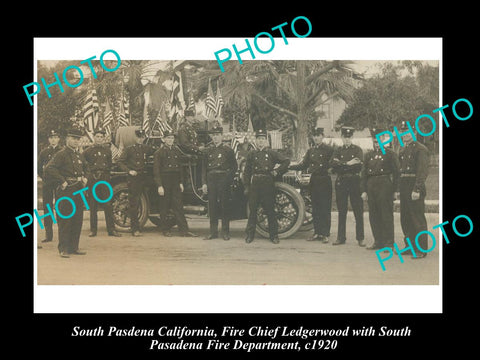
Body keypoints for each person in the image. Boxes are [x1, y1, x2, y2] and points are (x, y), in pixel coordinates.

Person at [44, 128, 89, 258]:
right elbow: (49, 168)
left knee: (77, 219)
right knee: (65, 219)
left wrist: (86, 177)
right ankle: (63, 248)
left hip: (78, 190)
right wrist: (62, 181)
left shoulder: (79, 155)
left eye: (78, 139)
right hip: (66, 191)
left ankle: (74, 247)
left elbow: (87, 168)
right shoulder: (61, 154)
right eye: (73, 138)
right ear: (67, 139)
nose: (76, 141)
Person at [244, 129, 290, 244]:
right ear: (256, 140)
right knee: (253, 210)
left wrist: (277, 172)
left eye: (263, 139)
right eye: (259, 139)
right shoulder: (251, 154)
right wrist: (246, 186)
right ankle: (250, 235)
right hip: (255, 183)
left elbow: (286, 161)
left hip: (267, 183)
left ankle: (274, 236)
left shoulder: (271, 153)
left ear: (266, 141)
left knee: (270, 210)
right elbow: (247, 172)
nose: (261, 141)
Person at [289, 127, 334, 242]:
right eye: (314, 136)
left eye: (318, 135)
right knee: (316, 208)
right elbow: (304, 165)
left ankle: (325, 234)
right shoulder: (311, 151)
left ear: (322, 136)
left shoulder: (329, 150)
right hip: (314, 181)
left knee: (325, 208)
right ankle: (317, 232)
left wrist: (330, 169)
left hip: (324, 180)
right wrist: (289, 166)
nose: (316, 138)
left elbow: (334, 163)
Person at [361, 127, 400, 251]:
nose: (377, 142)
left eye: (379, 139)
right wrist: (363, 190)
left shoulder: (390, 154)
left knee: (386, 214)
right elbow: (364, 174)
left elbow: (397, 173)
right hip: (371, 185)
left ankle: (389, 243)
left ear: (383, 139)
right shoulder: (368, 155)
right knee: (374, 214)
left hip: (385, 185)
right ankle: (378, 241)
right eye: (374, 139)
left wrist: (395, 190)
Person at [153, 130, 198, 237]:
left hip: (175, 181)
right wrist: (159, 185)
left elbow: (180, 169)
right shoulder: (159, 153)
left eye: (172, 138)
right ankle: (165, 230)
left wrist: (181, 182)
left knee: (178, 206)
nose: (170, 140)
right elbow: (156, 171)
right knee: (164, 206)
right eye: (168, 138)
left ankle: (184, 230)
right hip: (165, 180)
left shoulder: (176, 151)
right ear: (163, 139)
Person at [397, 121, 430, 259]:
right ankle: (409, 246)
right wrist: (399, 189)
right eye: (402, 132)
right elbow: (401, 171)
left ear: (414, 133)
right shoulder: (403, 149)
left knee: (417, 218)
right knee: (405, 218)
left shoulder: (420, 149)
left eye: (407, 132)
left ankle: (421, 249)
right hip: (404, 185)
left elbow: (422, 171)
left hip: (414, 185)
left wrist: (417, 188)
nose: (404, 134)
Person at [82, 128, 121, 238]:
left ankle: (111, 229)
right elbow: (83, 165)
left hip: (104, 178)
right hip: (93, 178)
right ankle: (93, 230)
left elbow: (109, 164)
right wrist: (88, 176)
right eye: (97, 136)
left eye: (101, 137)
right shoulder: (87, 151)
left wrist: (106, 175)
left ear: (104, 138)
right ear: (94, 137)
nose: (99, 139)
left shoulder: (107, 150)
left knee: (108, 204)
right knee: (93, 205)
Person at [201, 126, 238, 240]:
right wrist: (204, 183)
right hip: (211, 179)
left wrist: (228, 179)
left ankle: (225, 232)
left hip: (223, 179)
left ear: (222, 136)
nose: (216, 137)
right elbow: (203, 169)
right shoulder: (208, 151)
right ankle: (213, 232)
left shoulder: (228, 150)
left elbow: (234, 167)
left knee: (224, 206)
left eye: (218, 135)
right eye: (214, 135)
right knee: (212, 207)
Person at [117, 129, 155, 236]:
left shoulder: (146, 148)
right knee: (134, 203)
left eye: (142, 137)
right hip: (134, 178)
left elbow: (155, 151)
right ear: (135, 138)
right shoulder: (129, 149)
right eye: (138, 137)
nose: (140, 139)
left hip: (144, 177)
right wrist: (129, 171)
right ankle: (135, 229)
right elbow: (120, 161)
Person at [331, 126, 365, 246]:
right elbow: (333, 165)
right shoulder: (338, 150)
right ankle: (341, 237)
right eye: (345, 137)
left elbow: (359, 166)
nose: (347, 139)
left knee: (358, 209)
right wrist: (348, 163)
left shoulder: (357, 150)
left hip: (355, 181)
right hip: (341, 182)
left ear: (352, 137)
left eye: (349, 137)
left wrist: (342, 165)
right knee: (342, 210)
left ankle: (360, 238)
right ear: (341, 137)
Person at [37, 129, 62, 244]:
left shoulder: (62, 151)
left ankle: (62, 234)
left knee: (61, 207)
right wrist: (45, 178)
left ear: (58, 139)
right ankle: (49, 235)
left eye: (55, 137)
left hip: (59, 183)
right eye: (51, 137)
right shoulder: (43, 152)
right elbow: (39, 168)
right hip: (47, 183)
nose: (53, 139)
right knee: (47, 208)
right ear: (48, 139)